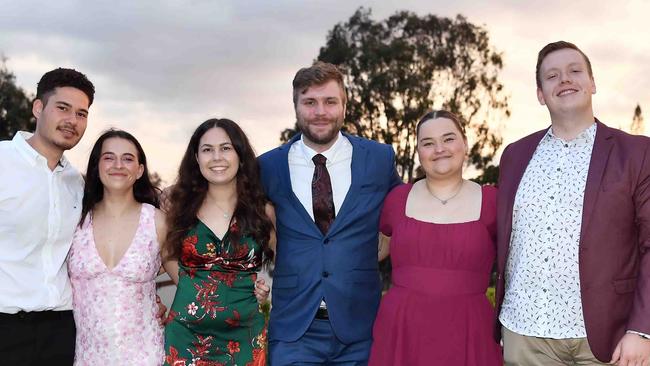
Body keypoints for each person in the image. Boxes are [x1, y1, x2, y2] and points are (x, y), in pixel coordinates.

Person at [496, 40, 650, 365]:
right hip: (524, 333)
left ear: (592, 83)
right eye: (552, 76)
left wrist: (642, 329)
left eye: (574, 71)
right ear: (540, 94)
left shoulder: (637, 153)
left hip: (608, 337)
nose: (564, 80)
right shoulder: (514, 156)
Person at [259, 61, 401, 365]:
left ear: (345, 105)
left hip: (360, 328)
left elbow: (405, 216)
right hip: (293, 330)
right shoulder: (267, 167)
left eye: (329, 101)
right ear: (295, 106)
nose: (320, 112)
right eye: (309, 102)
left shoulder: (378, 159)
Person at [369, 110, 503, 365]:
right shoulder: (397, 200)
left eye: (448, 139)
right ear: (418, 151)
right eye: (428, 143)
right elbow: (372, 252)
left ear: (465, 143)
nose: (439, 149)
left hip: (470, 331)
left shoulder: (493, 202)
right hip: (402, 330)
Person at [0, 68, 95, 364]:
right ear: (38, 107)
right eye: (63, 108)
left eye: (82, 114)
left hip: (61, 330)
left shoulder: (77, 185)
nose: (72, 121)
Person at [163, 118, 275, 366]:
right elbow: (166, 255)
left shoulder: (263, 210)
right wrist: (193, 288)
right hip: (185, 336)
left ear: (241, 155)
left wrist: (264, 290)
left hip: (244, 335)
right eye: (207, 149)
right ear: (196, 157)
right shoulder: (176, 205)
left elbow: (286, 262)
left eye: (225, 148)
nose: (216, 157)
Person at [67, 129, 172, 365]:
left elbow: (191, 280)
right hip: (88, 358)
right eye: (109, 157)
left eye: (128, 158)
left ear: (140, 170)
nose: (118, 165)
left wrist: (172, 317)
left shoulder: (157, 221)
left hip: (147, 356)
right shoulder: (75, 220)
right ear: (96, 166)